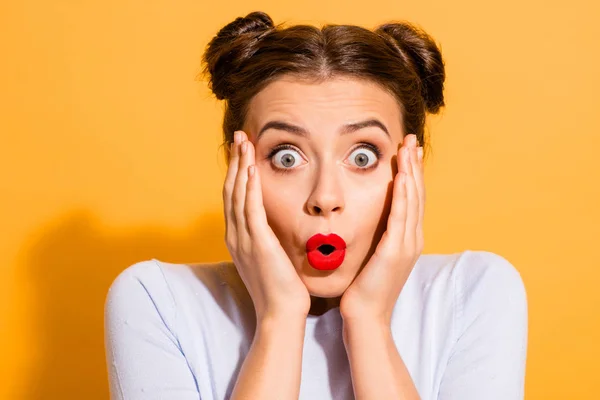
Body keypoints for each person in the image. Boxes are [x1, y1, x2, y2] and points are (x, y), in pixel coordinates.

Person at [103, 11, 528, 400]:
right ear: (238, 168)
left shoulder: (472, 293)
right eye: (286, 157)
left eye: (363, 157)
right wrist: (279, 318)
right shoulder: (158, 301)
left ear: (409, 168)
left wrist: (369, 321)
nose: (325, 198)